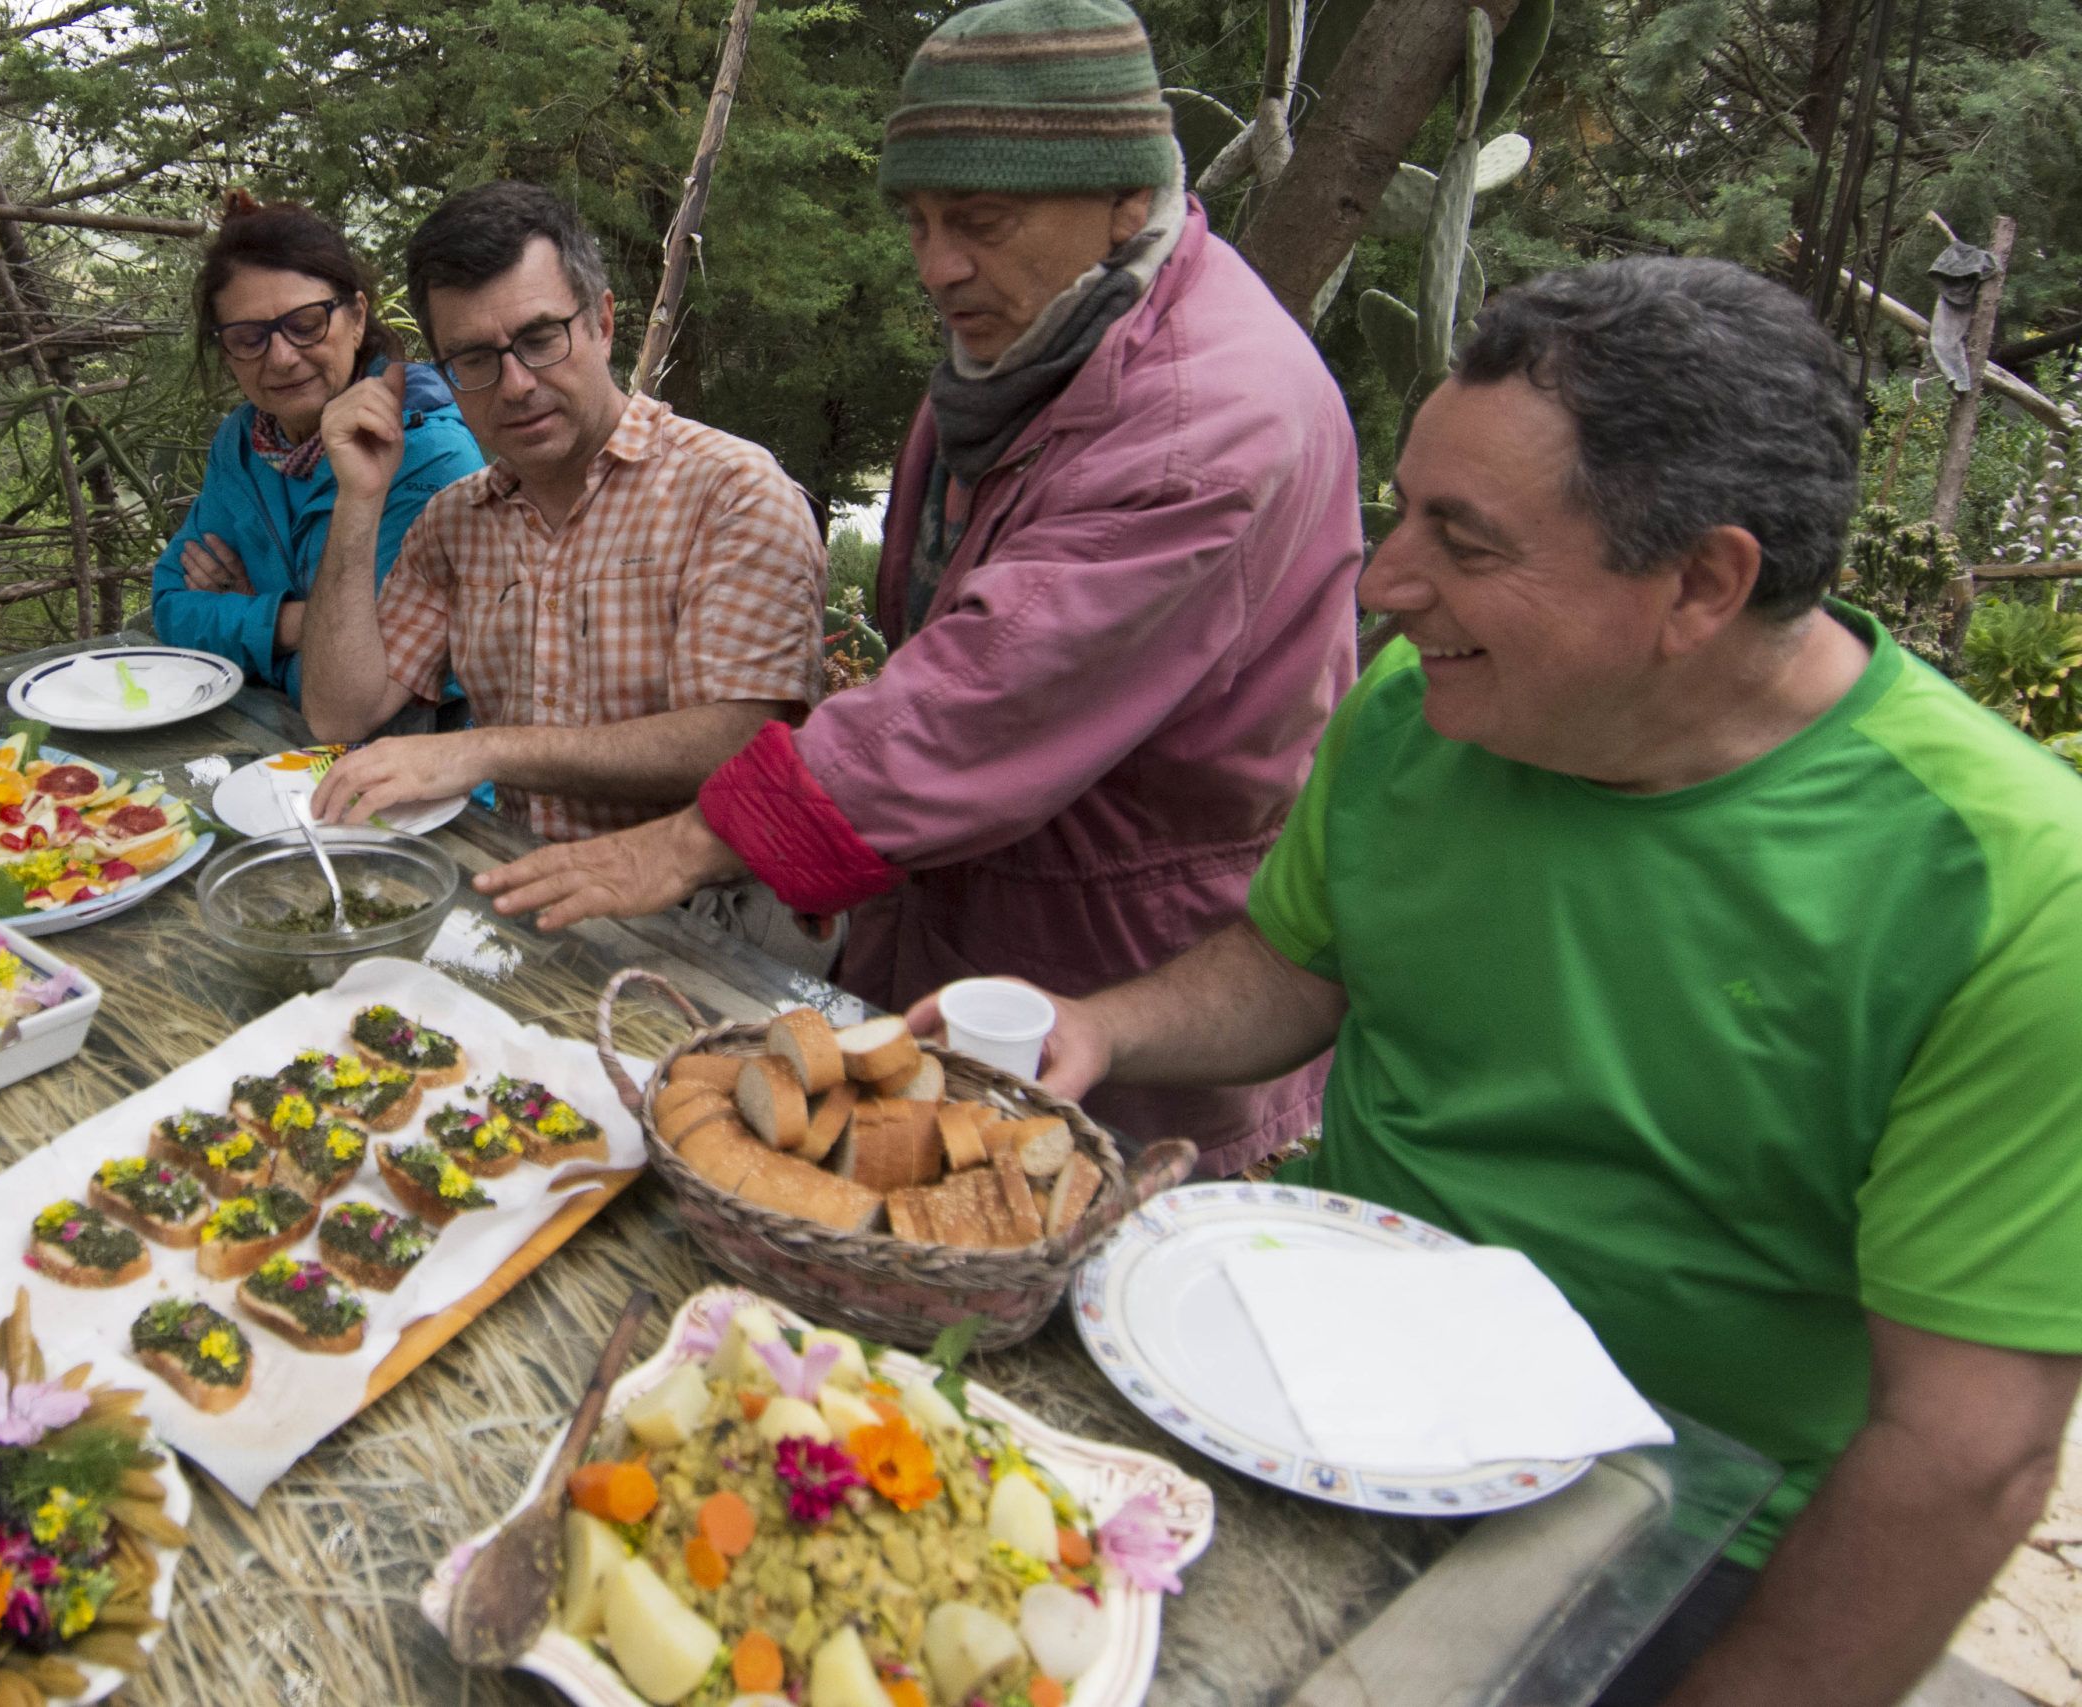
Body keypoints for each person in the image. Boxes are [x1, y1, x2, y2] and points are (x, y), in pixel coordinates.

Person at [949, 258, 2082, 1707]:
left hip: (1665, 1516)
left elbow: (1967, 1448)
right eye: (1403, 509)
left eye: (1464, 542)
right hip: (1299, 1377)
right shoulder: (1421, 708)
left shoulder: (2010, 888)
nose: (1388, 583)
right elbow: (1294, 968)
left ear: (1702, 583)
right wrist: (1103, 1022)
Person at [473, 0, 1364, 1173]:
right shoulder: (1055, 332)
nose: (938, 265)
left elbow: (988, 690)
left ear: (1127, 197)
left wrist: (702, 836)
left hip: (1124, 961)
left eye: (981, 221)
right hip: (981, 905)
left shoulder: (1202, 424)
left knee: (1060, 1249)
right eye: (921, 220)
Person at [300, 181, 827, 859]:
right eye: (475, 359)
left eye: (540, 338)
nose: (516, 384)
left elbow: (738, 743)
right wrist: (358, 499)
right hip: (521, 893)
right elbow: (339, 712)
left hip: (704, 913)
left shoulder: (730, 492)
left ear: (602, 323)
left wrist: (484, 750)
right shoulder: (454, 522)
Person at [151, 195, 484, 709]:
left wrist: (245, 617)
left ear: (356, 317)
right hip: (277, 745)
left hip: (422, 760)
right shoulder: (241, 445)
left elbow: (359, 696)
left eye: (306, 325)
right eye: (248, 337)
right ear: (226, 351)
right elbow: (171, 605)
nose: (281, 358)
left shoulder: (426, 453)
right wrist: (290, 622)